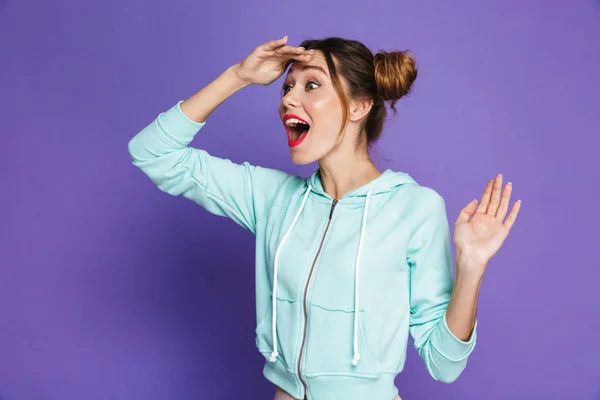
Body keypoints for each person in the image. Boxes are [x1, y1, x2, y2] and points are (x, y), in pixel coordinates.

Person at [127, 36, 521, 400]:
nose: (288, 100)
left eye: (311, 85)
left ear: (359, 106)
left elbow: (445, 364)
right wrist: (239, 76)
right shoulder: (272, 199)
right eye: (287, 87)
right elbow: (153, 153)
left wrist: (470, 268)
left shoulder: (414, 208)